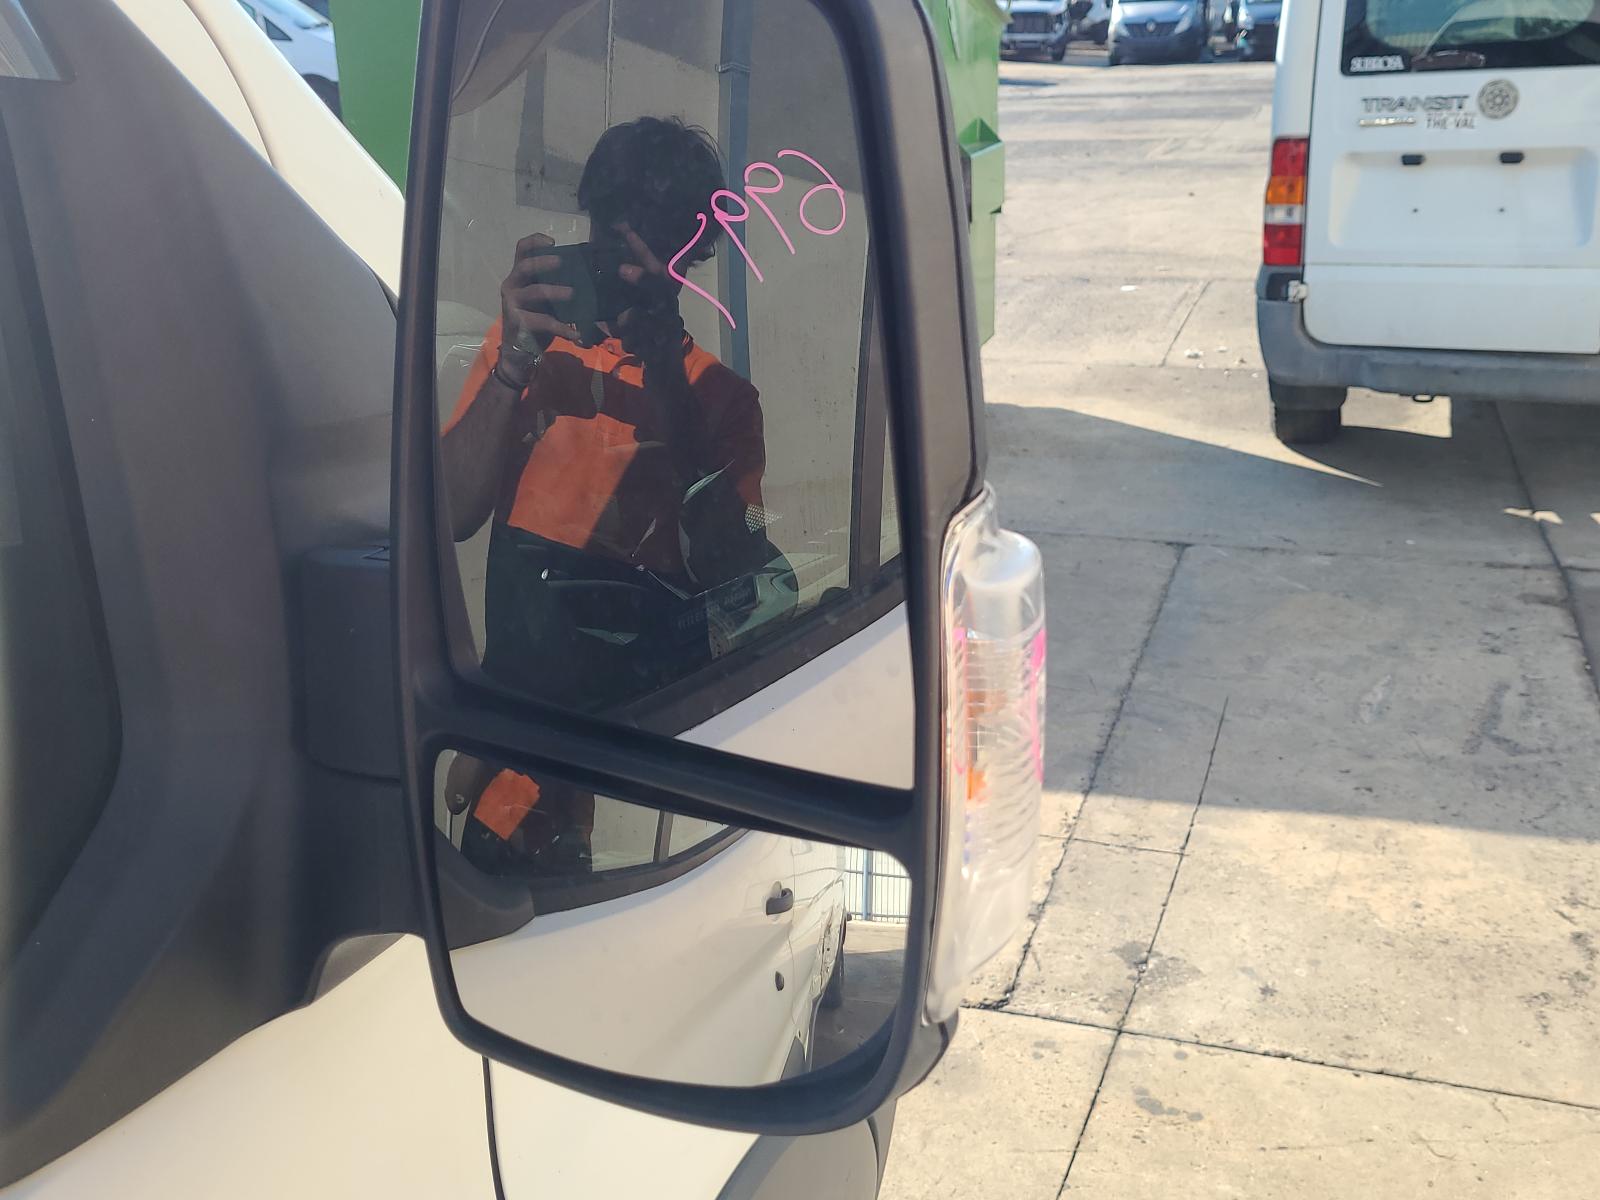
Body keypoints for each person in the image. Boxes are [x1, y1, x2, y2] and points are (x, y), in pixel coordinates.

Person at [441, 116, 775, 875]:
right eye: (609, 238)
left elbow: (736, 575)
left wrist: (666, 386)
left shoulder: (720, 401)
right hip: (517, 764)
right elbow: (451, 514)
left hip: (646, 777)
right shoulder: (532, 355)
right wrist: (511, 366)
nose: (628, 269)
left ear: (692, 252)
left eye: (652, 243)